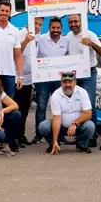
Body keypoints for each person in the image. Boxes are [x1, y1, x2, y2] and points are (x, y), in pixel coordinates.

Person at [66, 13, 101, 148]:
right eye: (70, 22)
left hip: (89, 73)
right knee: (76, 106)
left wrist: (91, 44)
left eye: (75, 21)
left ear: (81, 21)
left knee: (89, 105)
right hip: (74, 76)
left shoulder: (90, 34)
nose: (73, 24)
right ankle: (81, 136)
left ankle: (92, 137)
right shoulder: (68, 37)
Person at [32, 16, 70, 144]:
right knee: (41, 106)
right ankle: (39, 135)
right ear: (49, 28)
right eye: (53, 27)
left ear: (61, 28)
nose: (55, 30)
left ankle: (60, 134)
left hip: (60, 80)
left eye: (58, 28)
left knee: (59, 107)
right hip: (43, 79)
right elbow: (34, 56)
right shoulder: (41, 39)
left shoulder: (66, 41)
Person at [39, 71, 96, 154]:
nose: (67, 85)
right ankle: (54, 144)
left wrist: (75, 124)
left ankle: (81, 145)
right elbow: (57, 119)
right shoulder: (56, 95)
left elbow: (88, 113)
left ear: (75, 82)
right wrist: (54, 140)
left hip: (78, 126)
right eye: (65, 82)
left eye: (70, 82)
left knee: (90, 126)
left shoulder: (82, 92)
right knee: (43, 126)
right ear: (61, 83)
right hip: (61, 126)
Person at [16, 17, 42, 147]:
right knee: (17, 109)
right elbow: (15, 53)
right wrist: (25, 41)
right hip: (17, 78)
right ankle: (14, 136)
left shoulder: (38, 37)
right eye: (35, 23)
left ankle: (21, 135)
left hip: (29, 79)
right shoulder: (19, 34)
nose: (37, 26)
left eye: (40, 24)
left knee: (25, 110)